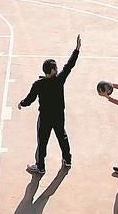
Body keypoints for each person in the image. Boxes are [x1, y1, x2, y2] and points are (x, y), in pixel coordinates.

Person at [18, 35, 81, 174]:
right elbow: (69, 66)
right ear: (52, 71)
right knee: (62, 137)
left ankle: (40, 167)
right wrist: (76, 50)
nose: (58, 69)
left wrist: (22, 103)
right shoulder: (59, 80)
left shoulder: (38, 84)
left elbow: (30, 98)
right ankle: (67, 159)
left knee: (42, 142)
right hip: (59, 115)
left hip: (45, 117)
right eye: (56, 68)